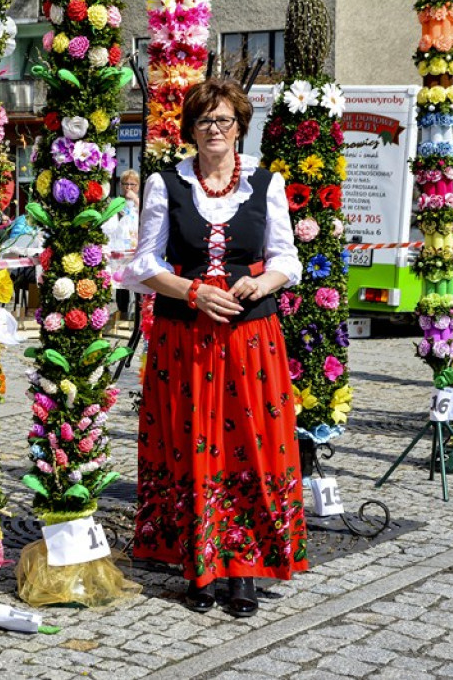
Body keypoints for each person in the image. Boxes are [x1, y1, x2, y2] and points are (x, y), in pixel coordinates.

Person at [122, 79, 306, 617]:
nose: (214, 130)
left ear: (240, 126)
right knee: (190, 444)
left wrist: (263, 284)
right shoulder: (165, 183)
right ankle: (196, 563)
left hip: (251, 340)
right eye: (204, 121)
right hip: (186, 341)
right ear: (190, 130)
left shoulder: (266, 184)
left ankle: (244, 568)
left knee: (251, 445)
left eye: (224, 120)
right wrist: (194, 291)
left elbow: (287, 259)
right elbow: (144, 265)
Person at [103, 169, 141, 322]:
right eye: (125, 184)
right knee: (121, 281)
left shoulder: (142, 201)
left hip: (137, 247)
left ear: (138, 186)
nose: (128, 187)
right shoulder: (115, 203)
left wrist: (137, 201)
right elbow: (109, 227)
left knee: (139, 281)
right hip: (120, 249)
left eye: (132, 184)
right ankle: (123, 312)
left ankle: (139, 313)